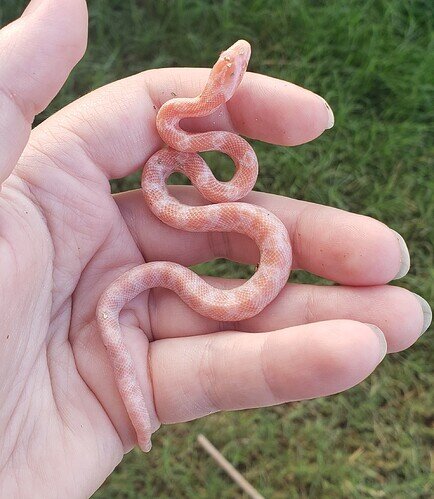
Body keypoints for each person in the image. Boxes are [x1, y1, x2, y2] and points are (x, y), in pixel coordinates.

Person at [0, 0, 430, 497]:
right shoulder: (178, 126)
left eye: (237, 66)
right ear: (217, 88)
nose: (238, 61)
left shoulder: (202, 142)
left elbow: (223, 179)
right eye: (234, 66)